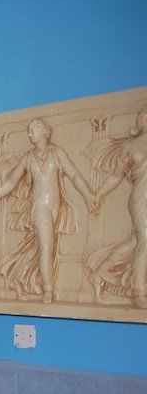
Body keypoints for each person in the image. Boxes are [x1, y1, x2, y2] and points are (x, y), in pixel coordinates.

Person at [0, 117, 99, 303]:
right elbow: (11, 182)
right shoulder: (28, 158)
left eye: (33, 130)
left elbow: (74, 175)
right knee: (47, 246)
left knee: (39, 247)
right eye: (29, 131)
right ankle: (48, 290)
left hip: (56, 206)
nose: (30, 134)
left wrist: (88, 195)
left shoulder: (56, 153)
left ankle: (16, 279)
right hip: (39, 206)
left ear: (44, 131)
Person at [85, 107, 147, 307]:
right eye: (144, 118)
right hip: (141, 196)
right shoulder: (131, 146)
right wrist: (98, 195)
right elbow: (115, 176)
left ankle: (100, 274)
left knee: (136, 242)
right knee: (145, 239)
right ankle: (139, 291)